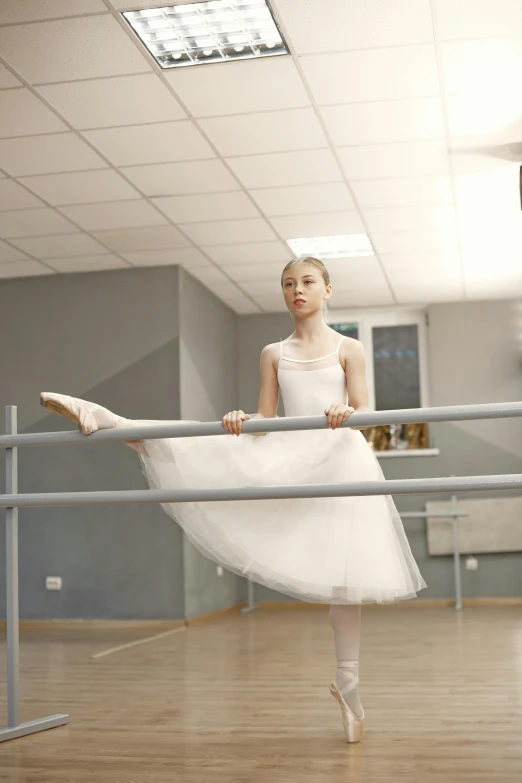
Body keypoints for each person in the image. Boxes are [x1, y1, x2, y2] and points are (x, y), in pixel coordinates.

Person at [40, 255, 427, 743]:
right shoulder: (272, 352)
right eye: (288, 283)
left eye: (308, 282)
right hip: (290, 456)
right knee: (209, 448)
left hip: (338, 457)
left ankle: (348, 685)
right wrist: (242, 420)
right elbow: (265, 422)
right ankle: (110, 420)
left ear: (328, 290)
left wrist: (346, 409)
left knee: (344, 584)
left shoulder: (349, 349)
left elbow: (368, 413)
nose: (297, 290)